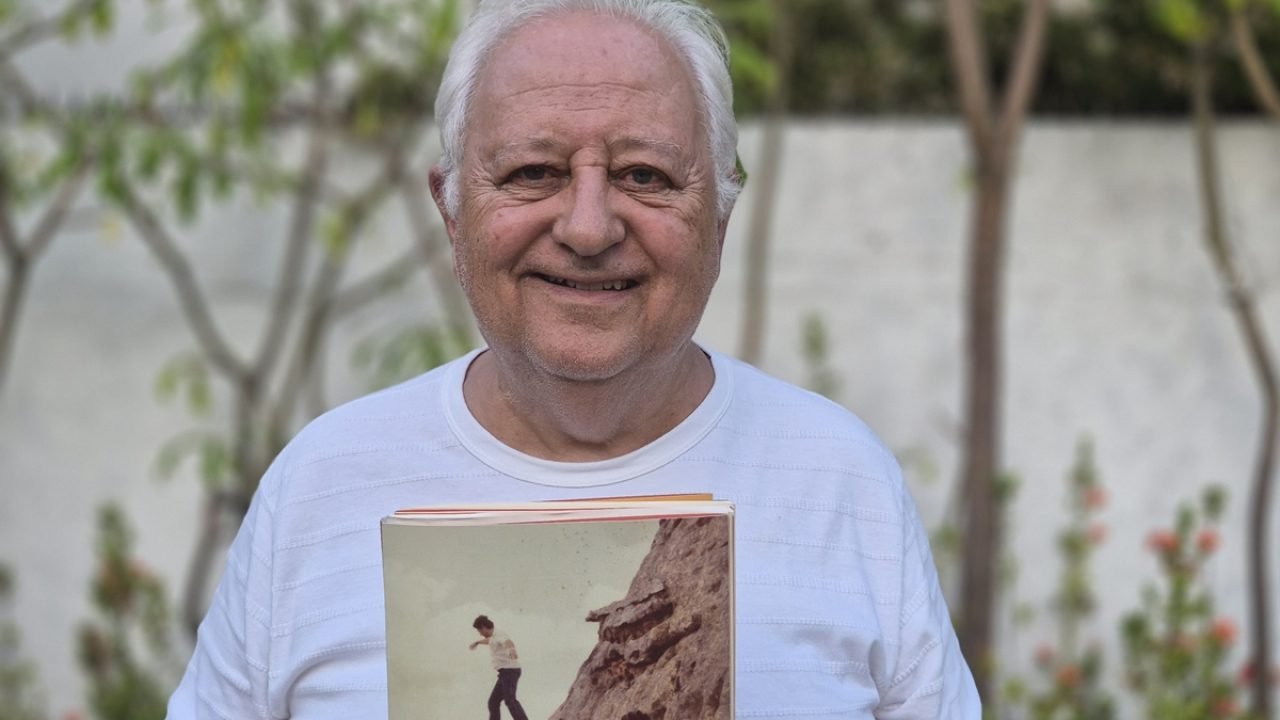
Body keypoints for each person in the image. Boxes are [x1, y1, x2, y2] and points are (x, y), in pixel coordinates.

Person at [166, 0, 981, 717]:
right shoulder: (322, 483)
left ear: (720, 219)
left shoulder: (841, 479)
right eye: (533, 172)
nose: (589, 227)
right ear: (453, 216)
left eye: (643, 174)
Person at [468, 615, 530, 720]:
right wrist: (478, 642)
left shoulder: (499, 634)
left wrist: (512, 649)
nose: (480, 633)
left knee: (510, 700)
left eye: (479, 631)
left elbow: (507, 641)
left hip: (510, 671)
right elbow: (489, 641)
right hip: (504, 673)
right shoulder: (493, 637)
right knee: (493, 702)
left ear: (483, 627)